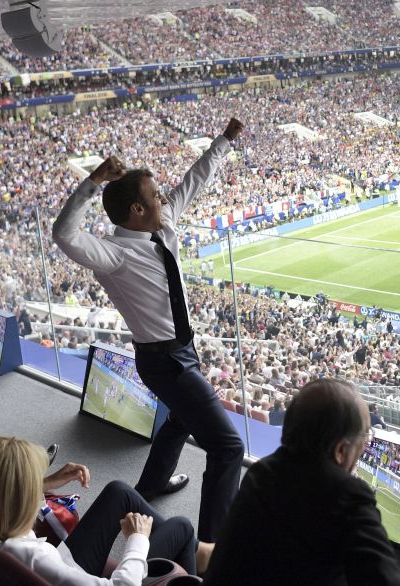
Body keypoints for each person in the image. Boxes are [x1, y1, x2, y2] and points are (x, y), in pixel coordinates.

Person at [53, 118, 245, 543]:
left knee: (181, 419)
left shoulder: (162, 226)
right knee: (228, 447)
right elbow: (63, 234)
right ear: (136, 210)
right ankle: (214, 547)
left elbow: (194, 181)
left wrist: (225, 141)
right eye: (156, 196)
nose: (165, 199)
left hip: (182, 351)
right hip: (162, 360)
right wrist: (92, 183)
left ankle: (152, 484)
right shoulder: (113, 254)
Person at [204, 380, 400, 586]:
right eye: (364, 437)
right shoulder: (348, 495)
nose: (363, 448)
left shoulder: (260, 473)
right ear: (341, 450)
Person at [0, 437, 210, 585]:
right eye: (32, 484)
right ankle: (196, 559)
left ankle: (197, 552)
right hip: (76, 571)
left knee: (119, 492)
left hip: (66, 559)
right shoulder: (31, 559)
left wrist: (46, 482)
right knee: (182, 528)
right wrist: (138, 539)